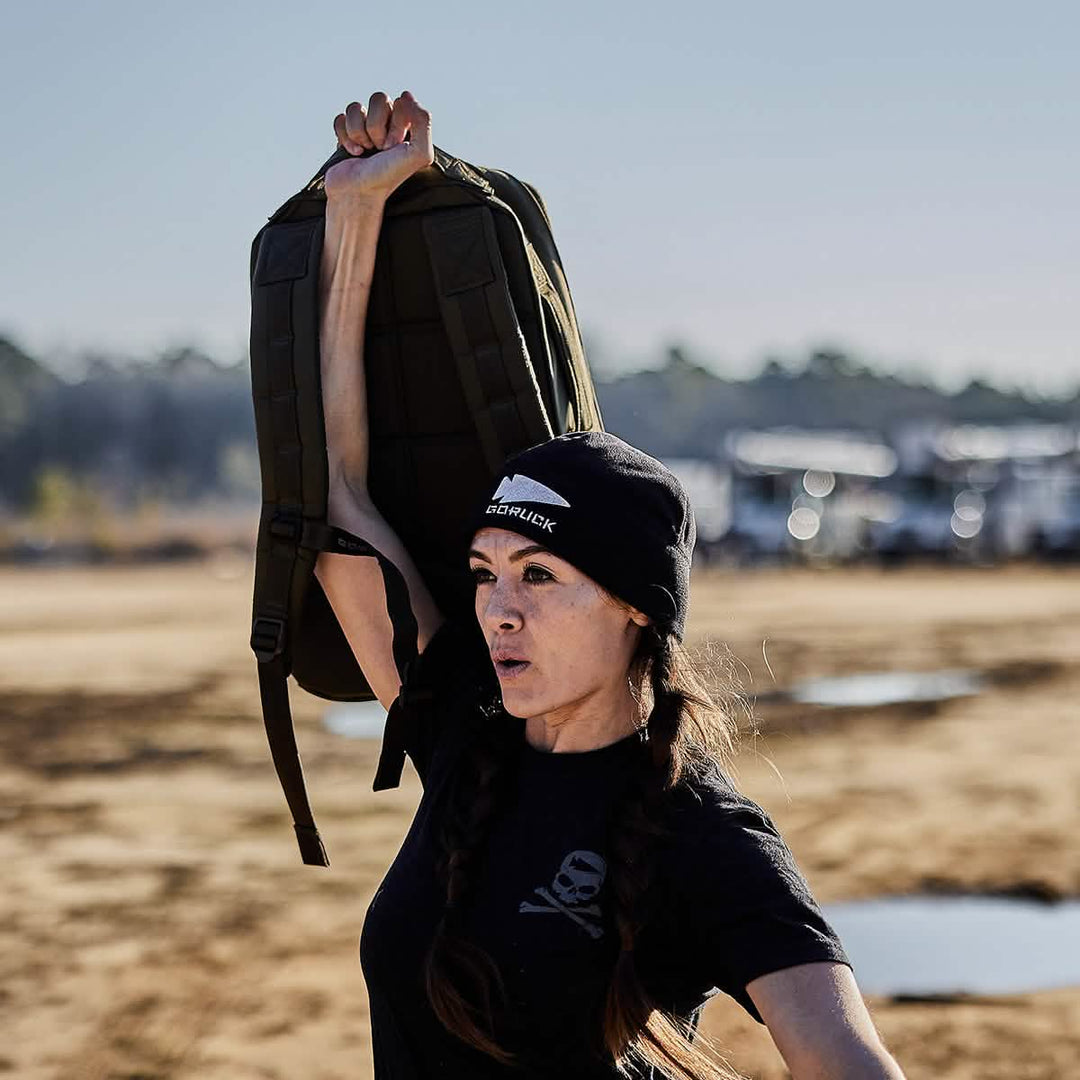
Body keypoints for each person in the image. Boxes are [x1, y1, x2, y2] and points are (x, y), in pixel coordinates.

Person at [314, 90, 907, 1080]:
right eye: (485, 574)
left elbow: (848, 1062)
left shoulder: (704, 834)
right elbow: (340, 507)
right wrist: (354, 212)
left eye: (541, 576)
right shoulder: (464, 734)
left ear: (641, 604)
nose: (500, 606)